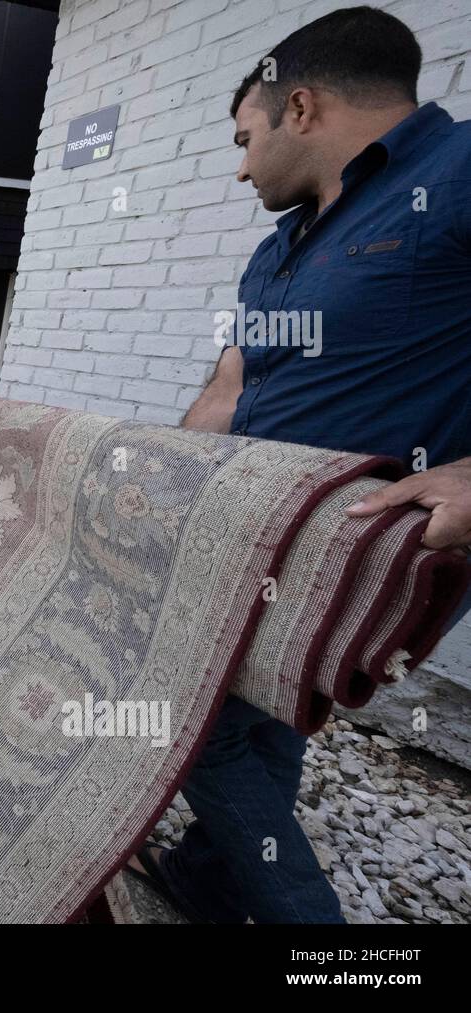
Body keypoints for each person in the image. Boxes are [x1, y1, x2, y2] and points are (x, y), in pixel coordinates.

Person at [126, 6, 471, 924]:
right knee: (264, 701)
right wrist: (160, 482)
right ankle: (209, 880)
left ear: (302, 109)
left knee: (191, 713)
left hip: (362, 540)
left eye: (246, 140)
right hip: (258, 527)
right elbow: (229, 387)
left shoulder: (457, 173)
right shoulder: (277, 252)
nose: (241, 168)